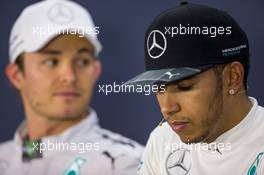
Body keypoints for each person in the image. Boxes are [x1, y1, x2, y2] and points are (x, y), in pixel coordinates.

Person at [0, 0, 143, 174]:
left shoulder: (128, 163)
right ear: (16, 76)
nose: (69, 76)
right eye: (51, 61)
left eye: (82, 61)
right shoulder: (6, 158)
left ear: (95, 71)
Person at [125, 2, 264, 175]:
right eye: (160, 88)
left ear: (232, 77)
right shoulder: (163, 139)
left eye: (184, 87)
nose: (167, 108)